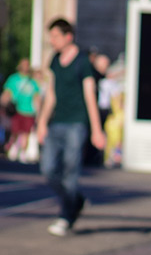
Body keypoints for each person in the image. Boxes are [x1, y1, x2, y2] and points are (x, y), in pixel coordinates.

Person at [36, 18, 105, 236]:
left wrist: (96, 129)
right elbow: (52, 95)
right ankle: (76, 199)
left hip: (77, 123)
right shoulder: (55, 60)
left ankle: (66, 216)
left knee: (70, 170)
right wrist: (42, 122)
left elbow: (90, 95)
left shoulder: (82, 61)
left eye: (55, 36)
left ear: (68, 36)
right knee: (48, 169)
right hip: (57, 122)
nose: (52, 41)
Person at [1, 58, 41, 163]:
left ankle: (22, 152)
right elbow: (7, 93)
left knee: (25, 133)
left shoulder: (32, 82)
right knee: (14, 131)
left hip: (28, 111)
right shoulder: (13, 79)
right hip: (16, 110)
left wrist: (39, 112)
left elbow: (36, 97)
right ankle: (13, 146)